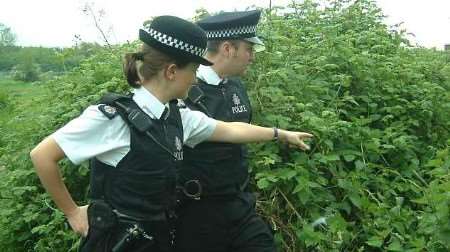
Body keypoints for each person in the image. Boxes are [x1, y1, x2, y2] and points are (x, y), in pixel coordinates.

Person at [30, 15, 312, 252]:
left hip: (160, 238)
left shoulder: (177, 116)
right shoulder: (114, 118)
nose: (195, 78)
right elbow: (42, 155)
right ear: (172, 71)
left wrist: (278, 133)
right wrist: (72, 213)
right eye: (193, 70)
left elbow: (230, 129)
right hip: (116, 241)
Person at [175, 10, 279, 252]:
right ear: (227, 49)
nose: (251, 57)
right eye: (248, 49)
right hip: (197, 213)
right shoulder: (184, 91)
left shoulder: (235, 87)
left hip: (239, 204)